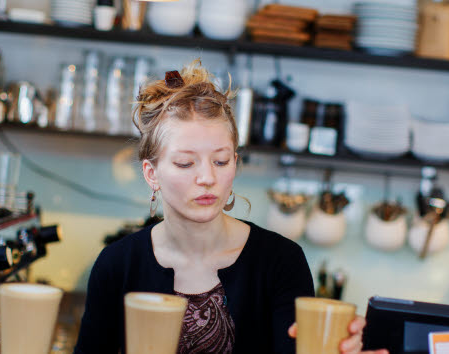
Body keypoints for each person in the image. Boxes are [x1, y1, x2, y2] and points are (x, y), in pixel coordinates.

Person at [74, 60, 387, 354]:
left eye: (221, 161)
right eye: (185, 163)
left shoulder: (280, 262)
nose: (208, 177)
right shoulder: (116, 265)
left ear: (235, 164)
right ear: (151, 174)